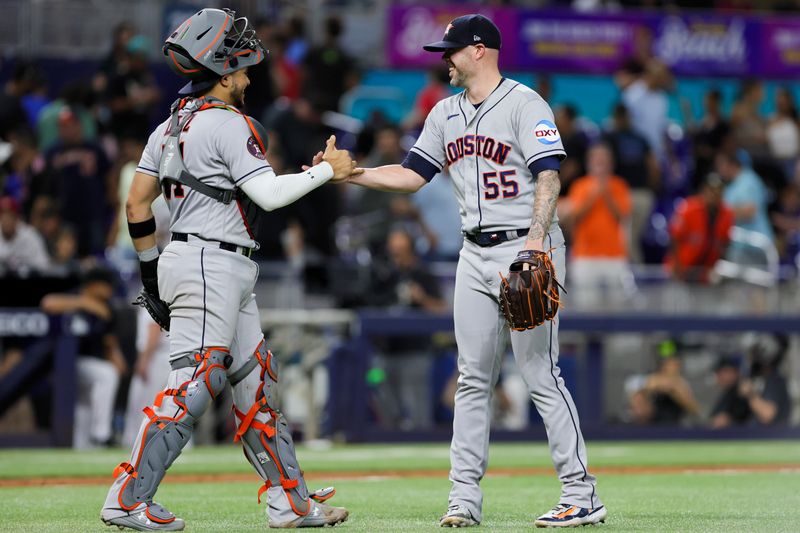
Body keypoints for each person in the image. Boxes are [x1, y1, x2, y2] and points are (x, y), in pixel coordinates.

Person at [334, 14, 605, 528]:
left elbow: (549, 175)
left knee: (539, 373)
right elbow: (414, 174)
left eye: (452, 50)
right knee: (472, 378)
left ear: (479, 50)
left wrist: (535, 245)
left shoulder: (526, 104)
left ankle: (581, 493)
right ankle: (464, 499)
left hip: (525, 249)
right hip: (472, 253)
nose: (445, 59)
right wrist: (357, 173)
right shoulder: (444, 114)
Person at [100, 8, 355, 531]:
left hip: (201, 261)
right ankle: (128, 497)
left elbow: (137, 205)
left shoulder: (169, 125)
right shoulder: (230, 123)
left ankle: (290, 502)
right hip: (211, 262)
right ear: (222, 70)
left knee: (253, 384)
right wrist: (329, 171)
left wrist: (151, 277)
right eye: (240, 70)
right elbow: (268, 194)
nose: (246, 78)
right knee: (195, 382)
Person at [40, 267, 128, 447]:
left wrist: (117, 357)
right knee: (106, 375)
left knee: (85, 403)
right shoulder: (74, 297)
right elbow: (47, 303)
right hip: (63, 363)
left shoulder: (107, 308)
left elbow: (108, 341)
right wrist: (84, 303)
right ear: (94, 285)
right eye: (107, 286)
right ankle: (101, 433)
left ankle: (84, 446)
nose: (110, 290)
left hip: (88, 364)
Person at [564, 143, 633, 309]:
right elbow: (574, 218)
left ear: (611, 163)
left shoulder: (619, 185)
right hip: (585, 256)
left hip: (614, 255)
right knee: (586, 306)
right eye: (597, 158)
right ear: (589, 162)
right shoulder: (580, 185)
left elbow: (621, 216)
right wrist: (593, 195)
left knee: (618, 306)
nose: (600, 162)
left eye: (604, 159)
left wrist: (607, 193)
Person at [665, 173, 734, 283]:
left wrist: (717, 268)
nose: (714, 195)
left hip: (706, 272)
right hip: (683, 268)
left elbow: (725, 243)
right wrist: (678, 268)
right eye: (711, 190)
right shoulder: (688, 208)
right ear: (703, 190)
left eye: (718, 191)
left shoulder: (727, 214)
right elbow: (674, 237)